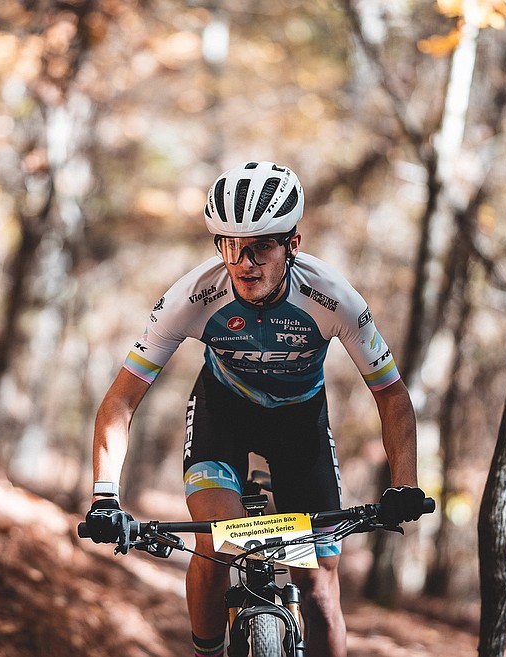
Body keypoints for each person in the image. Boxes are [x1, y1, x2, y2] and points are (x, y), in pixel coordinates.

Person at [84, 160, 425, 657]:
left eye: (262, 245)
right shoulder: (193, 295)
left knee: (319, 589)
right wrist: (105, 496)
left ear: (293, 245)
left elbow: (391, 396)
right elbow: (121, 399)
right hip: (223, 416)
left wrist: (404, 484)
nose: (245, 262)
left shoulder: (332, 299)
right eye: (230, 245)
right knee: (219, 542)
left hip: (300, 426)